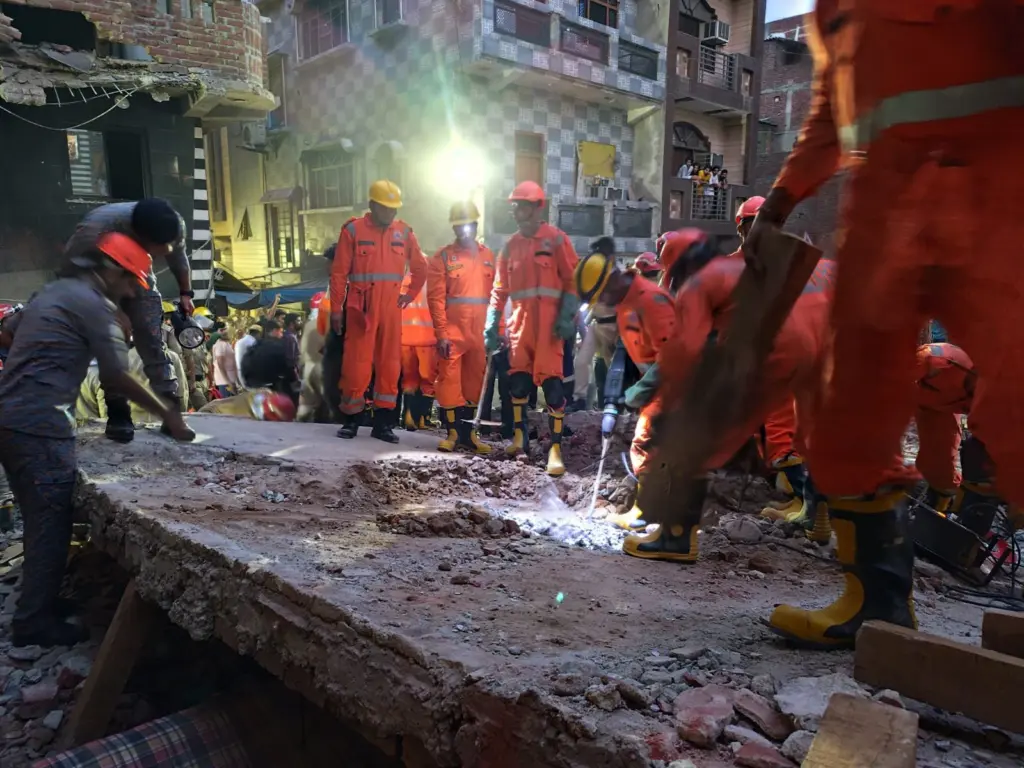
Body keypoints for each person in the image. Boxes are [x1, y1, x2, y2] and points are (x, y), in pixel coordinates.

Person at [742, 0, 1024, 649]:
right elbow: (830, 111)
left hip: (996, 189)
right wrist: (780, 200)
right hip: (885, 208)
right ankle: (877, 602)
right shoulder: (834, 10)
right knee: (847, 413)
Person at [0, 233, 193, 647]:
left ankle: (40, 601)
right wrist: (169, 414)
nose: (131, 293)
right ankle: (33, 623)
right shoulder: (94, 306)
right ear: (113, 270)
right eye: (131, 283)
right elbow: (116, 376)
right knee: (51, 520)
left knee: (37, 517)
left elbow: (10, 331)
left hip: (12, 417)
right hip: (39, 426)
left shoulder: (55, 292)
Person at [63, 199, 194, 444]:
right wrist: (110, 309)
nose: (163, 252)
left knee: (153, 344)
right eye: (157, 248)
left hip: (140, 278)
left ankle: (172, 415)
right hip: (96, 285)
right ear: (140, 235)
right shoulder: (95, 228)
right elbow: (72, 270)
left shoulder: (173, 225)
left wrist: (186, 293)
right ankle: (118, 415)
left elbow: (178, 258)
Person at [574, 238, 676, 529]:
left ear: (610, 283)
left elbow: (675, 356)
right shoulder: (625, 303)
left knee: (648, 442)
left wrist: (638, 392)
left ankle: (651, 515)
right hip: (659, 384)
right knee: (652, 444)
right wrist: (612, 400)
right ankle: (653, 511)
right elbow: (623, 353)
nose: (602, 304)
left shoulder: (650, 301)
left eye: (602, 298)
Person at [485, 181, 580, 477]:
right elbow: (499, 290)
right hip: (520, 326)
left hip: (550, 328)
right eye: (514, 206)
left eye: (522, 206)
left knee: (553, 388)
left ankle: (555, 449)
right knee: (518, 384)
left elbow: (573, 281)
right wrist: (492, 323)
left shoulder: (557, 240)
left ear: (538, 208)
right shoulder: (510, 246)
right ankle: (519, 438)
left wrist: (567, 316)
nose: (516, 212)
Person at [330, 180, 427, 443]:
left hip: (391, 309)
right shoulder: (353, 230)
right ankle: (351, 420)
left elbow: (421, 268)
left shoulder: (404, 233)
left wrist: (410, 294)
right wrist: (336, 309)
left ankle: (383, 424)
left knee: (390, 365)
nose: (391, 213)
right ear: (372, 205)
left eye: (394, 209)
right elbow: (338, 273)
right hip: (360, 307)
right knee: (356, 364)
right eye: (386, 208)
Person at [427, 202, 496, 454]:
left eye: (468, 225)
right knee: (449, 382)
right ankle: (453, 433)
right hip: (453, 333)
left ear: (476, 225)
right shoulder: (443, 257)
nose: (464, 230)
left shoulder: (488, 256)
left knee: (474, 383)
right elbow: (435, 299)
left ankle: (469, 435)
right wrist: (441, 334)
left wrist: (495, 330)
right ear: (453, 228)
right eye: (459, 226)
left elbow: (496, 296)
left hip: (479, 334)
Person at [400, 271, 438, 431]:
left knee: (409, 380)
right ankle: (422, 419)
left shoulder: (403, 280)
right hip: (427, 339)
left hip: (404, 337)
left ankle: (407, 416)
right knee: (427, 381)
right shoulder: (434, 281)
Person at [212, 330, 239, 398]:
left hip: (230, 380)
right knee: (228, 402)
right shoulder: (220, 345)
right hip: (225, 382)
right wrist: (228, 381)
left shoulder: (226, 344)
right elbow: (220, 363)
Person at [234, 325, 262, 389]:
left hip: (240, 371)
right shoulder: (252, 342)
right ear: (257, 333)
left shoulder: (238, 342)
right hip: (249, 373)